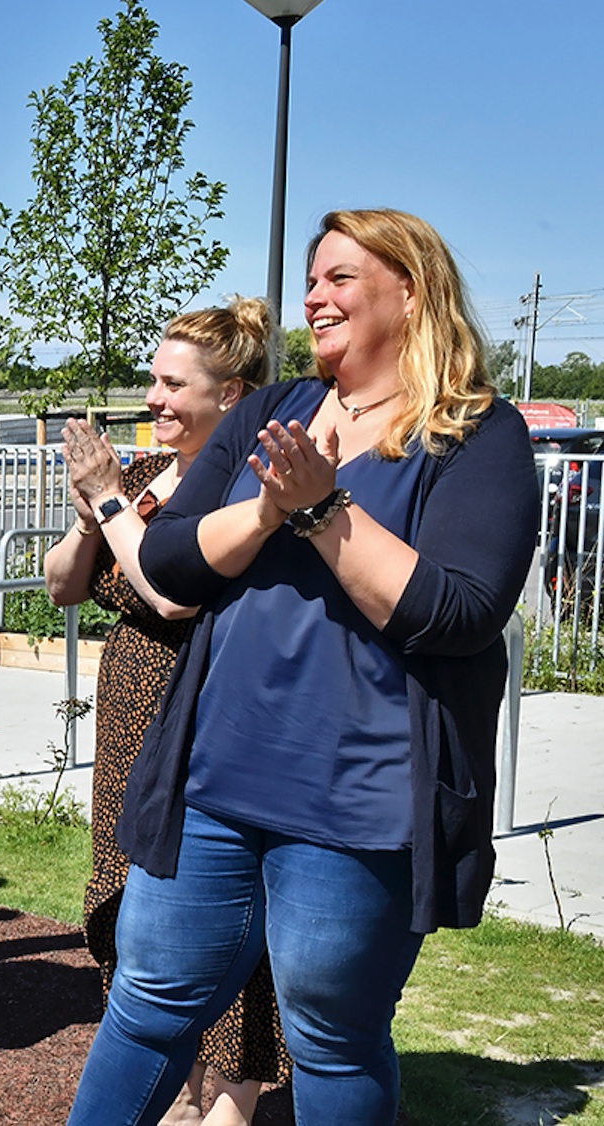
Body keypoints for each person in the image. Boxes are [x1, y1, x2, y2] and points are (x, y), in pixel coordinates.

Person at [68, 209, 540, 1125]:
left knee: (331, 1033)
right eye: (311, 280)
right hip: (212, 778)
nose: (314, 299)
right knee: (146, 1004)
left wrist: (323, 514)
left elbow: (457, 612)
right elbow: (165, 562)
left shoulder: (478, 434)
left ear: (410, 291)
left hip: (357, 804)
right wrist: (264, 513)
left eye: (340, 279)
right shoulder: (270, 411)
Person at [44, 298, 289, 1125]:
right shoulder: (143, 480)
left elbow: (172, 596)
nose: (151, 397)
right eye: (151, 378)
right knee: (129, 908)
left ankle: (227, 1101)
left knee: (207, 910)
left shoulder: (241, 486)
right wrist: (90, 517)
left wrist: (110, 505)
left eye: (170, 383)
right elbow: (61, 586)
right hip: (126, 718)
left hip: (202, 718)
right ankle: (172, 1079)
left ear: (232, 397)